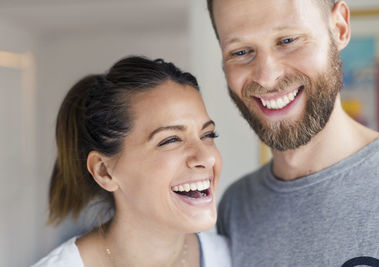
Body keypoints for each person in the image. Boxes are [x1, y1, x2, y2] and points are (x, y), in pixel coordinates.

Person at [206, 0, 379, 266]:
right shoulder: (237, 207)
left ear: (339, 28)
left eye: (287, 40)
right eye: (240, 52)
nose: (266, 76)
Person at [32, 56, 231, 267]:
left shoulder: (236, 257)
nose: (207, 157)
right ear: (104, 172)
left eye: (208, 135)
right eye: (171, 139)